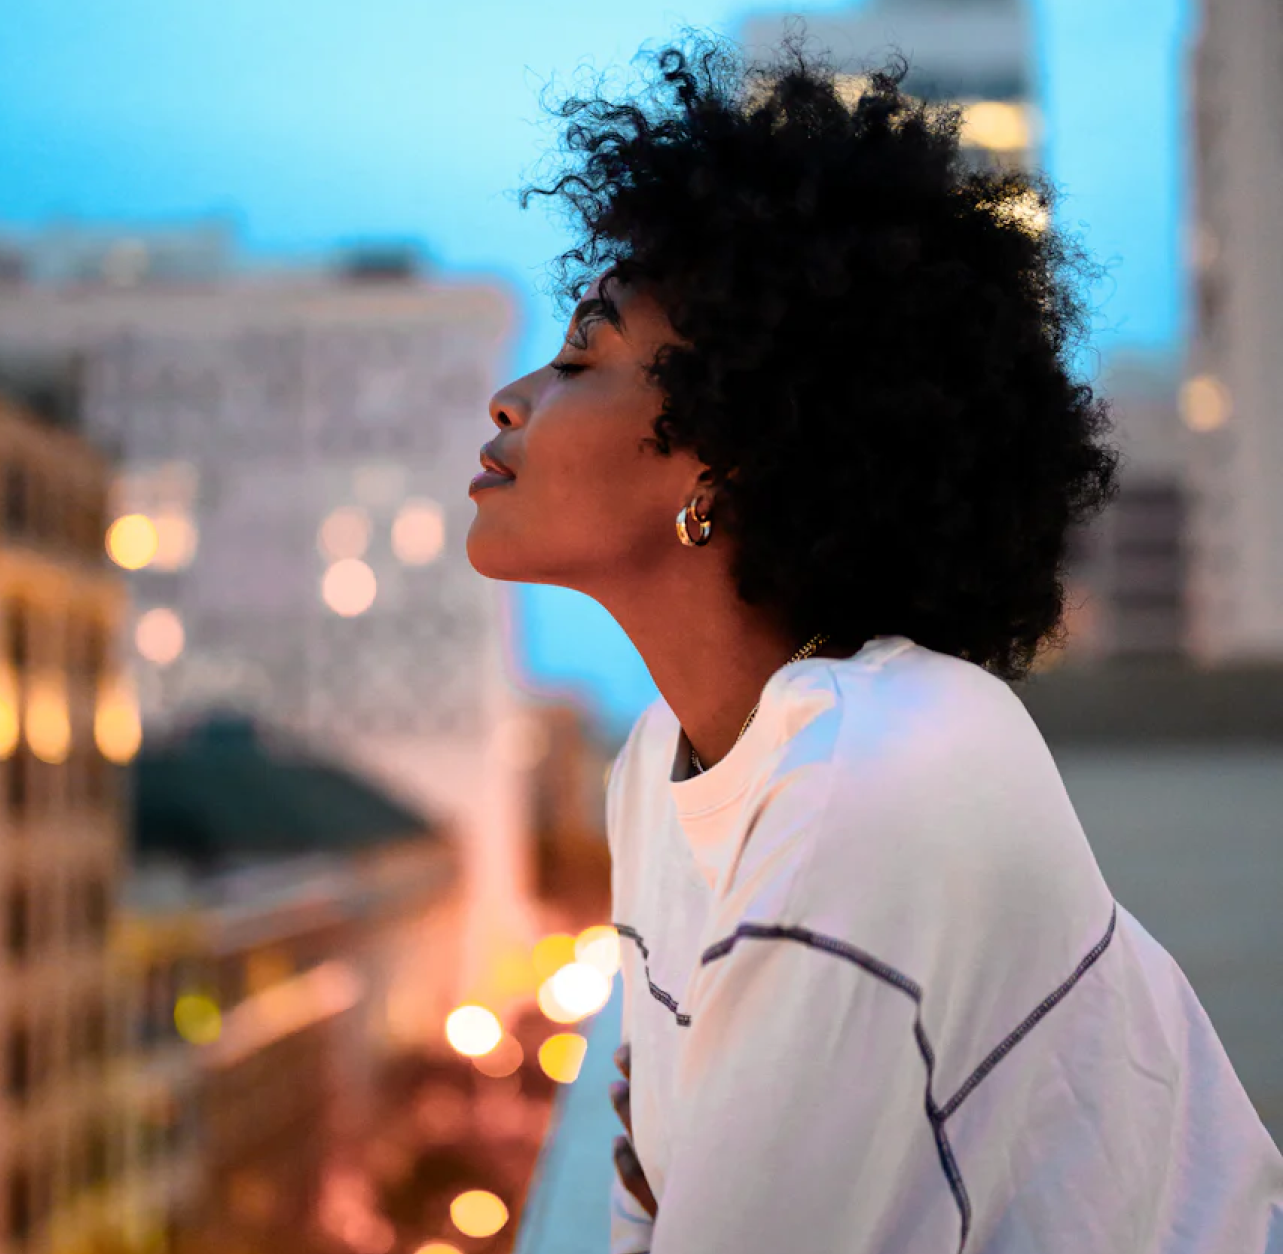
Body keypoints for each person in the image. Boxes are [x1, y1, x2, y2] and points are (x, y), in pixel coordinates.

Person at [465, 25, 1283, 1254]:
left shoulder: (877, 774)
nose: (513, 395)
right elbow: (648, 1195)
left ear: (727, 464)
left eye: (584, 351)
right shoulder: (656, 767)